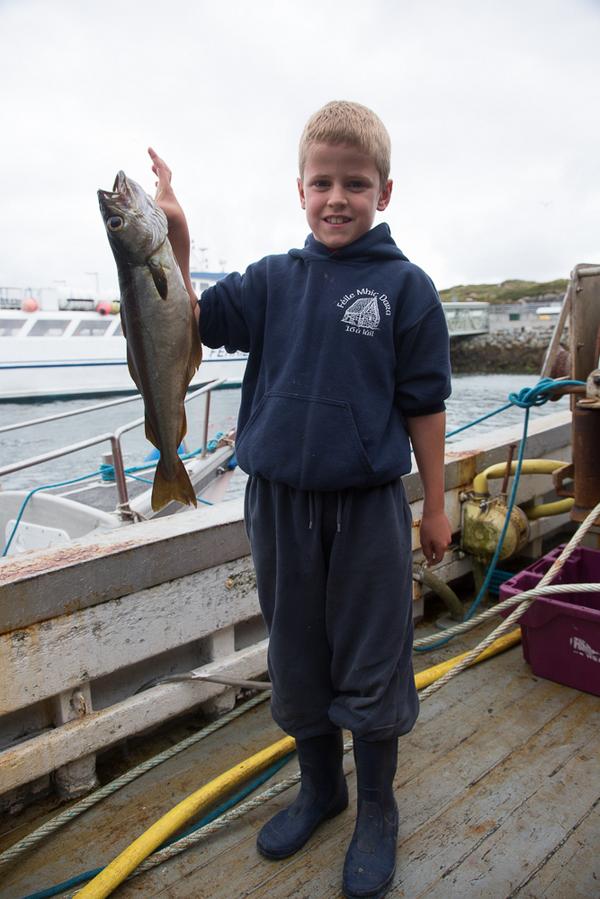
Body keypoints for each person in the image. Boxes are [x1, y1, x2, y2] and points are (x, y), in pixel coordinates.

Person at [149, 99, 451, 899]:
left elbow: (425, 403)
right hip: (279, 506)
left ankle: (377, 805)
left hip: (368, 510)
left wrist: (436, 504)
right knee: (296, 656)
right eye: (323, 182)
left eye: (356, 183)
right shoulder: (272, 280)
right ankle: (322, 788)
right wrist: (176, 233)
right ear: (300, 189)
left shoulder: (407, 288)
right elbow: (190, 321)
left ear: (385, 192)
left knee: (373, 657)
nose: (337, 198)